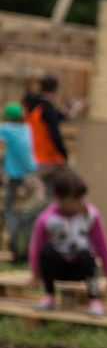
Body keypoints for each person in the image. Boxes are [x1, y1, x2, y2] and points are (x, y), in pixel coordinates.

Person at [28, 169, 107, 316]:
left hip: (80, 268)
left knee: (88, 256)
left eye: (83, 198)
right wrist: (35, 274)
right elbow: (36, 247)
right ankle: (49, 296)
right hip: (57, 269)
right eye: (75, 200)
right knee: (46, 252)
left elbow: (102, 245)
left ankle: (94, 299)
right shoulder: (46, 218)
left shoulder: (91, 215)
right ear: (59, 199)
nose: (81, 203)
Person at [1, 102, 37, 251]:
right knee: (26, 208)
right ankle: (27, 240)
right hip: (31, 172)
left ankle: (15, 241)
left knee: (9, 207)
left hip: (14, 175)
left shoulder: (6, 129)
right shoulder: (28, 128)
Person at [23, 75, 70, 171]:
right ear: (55, 91)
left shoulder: (31, 105)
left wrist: (60, 115)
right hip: (46, 158)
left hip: (29, 155)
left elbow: (44, 119)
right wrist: (64, 155)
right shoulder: (47, 109)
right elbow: (55, 135)